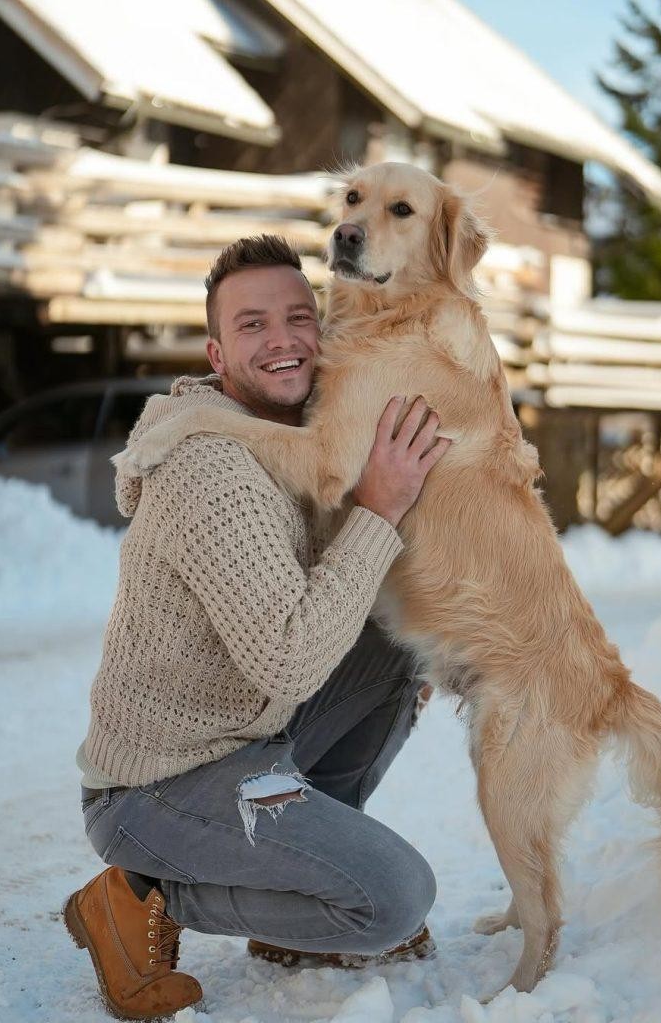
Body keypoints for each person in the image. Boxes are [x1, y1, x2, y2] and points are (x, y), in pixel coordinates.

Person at [64, 235, 451, 1020]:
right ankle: (141, 897)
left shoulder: (294, 444)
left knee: (393, 646)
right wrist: (379, 508)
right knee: (392, 902)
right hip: (158, 788)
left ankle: (296, 899)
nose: (281, 340)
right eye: (251, 325)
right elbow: (287, 660)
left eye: (296, 317)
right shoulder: (213, 470)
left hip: (249, 742)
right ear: (216, 352)